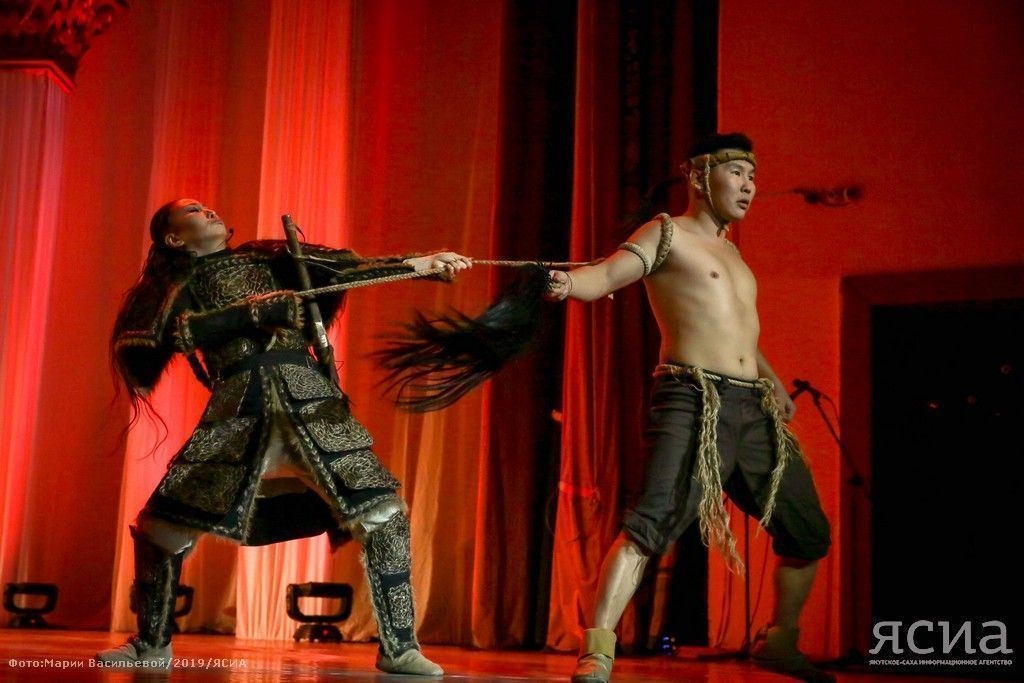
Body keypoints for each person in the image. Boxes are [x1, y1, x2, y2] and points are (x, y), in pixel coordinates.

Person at [98, 198, 472, 675]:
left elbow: (345, 270)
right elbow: (166, 335)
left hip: (310, 403)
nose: (208, 211)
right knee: (159, 529)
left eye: (207, 206)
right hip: (240, 409)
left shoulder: (270, 259)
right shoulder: (176, 287)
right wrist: (253, 313)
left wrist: (421, 264)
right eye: (193, 211)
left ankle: (400, 648)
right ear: (174, 239)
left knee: (385, 515)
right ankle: (151, 645)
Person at [546, 134, 833, 683]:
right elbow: (604, 275)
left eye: (753, 176)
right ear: (699, 176)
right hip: (693, 400)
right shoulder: (666, 233)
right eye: (737, 173)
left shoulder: (733, 252)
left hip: (753, 409)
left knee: (808, 532)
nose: (749, 186)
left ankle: (779, 643)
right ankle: (598, 649)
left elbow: (742, 332)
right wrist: (567, 284)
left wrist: (772, 381)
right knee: (650, 524)